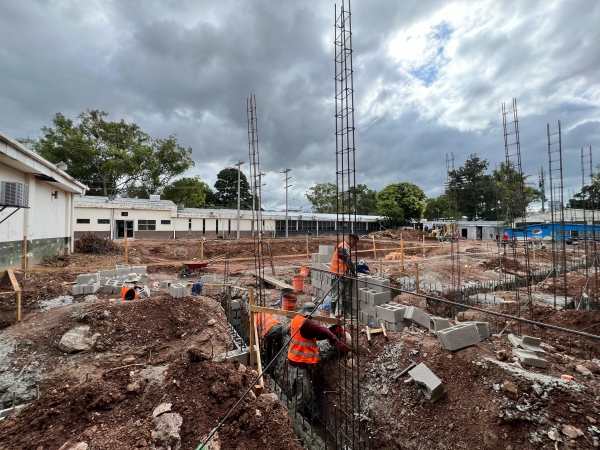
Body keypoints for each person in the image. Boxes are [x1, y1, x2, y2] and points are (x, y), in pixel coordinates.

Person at [288, 302, 339, 411]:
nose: (312, 317)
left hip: (294, 360)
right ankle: (293, 416)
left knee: (296, 390)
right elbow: (322, 330)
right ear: (309, 314)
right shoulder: (306, 324)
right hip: (301, 363)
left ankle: (297, 410)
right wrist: (333, 338)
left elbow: (307, 336)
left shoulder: (297, 318)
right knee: (303, 394)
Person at [328, 234, 359, 318]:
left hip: (344, 275)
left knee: (346, 295)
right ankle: (332, 313)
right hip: (337, 275)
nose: (354, 245)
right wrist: (355, 272)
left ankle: (346, 313)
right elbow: (349, 262)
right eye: (354, 243)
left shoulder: (347, 248)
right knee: (336, 295)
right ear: (350, 239)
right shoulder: (342, 247)